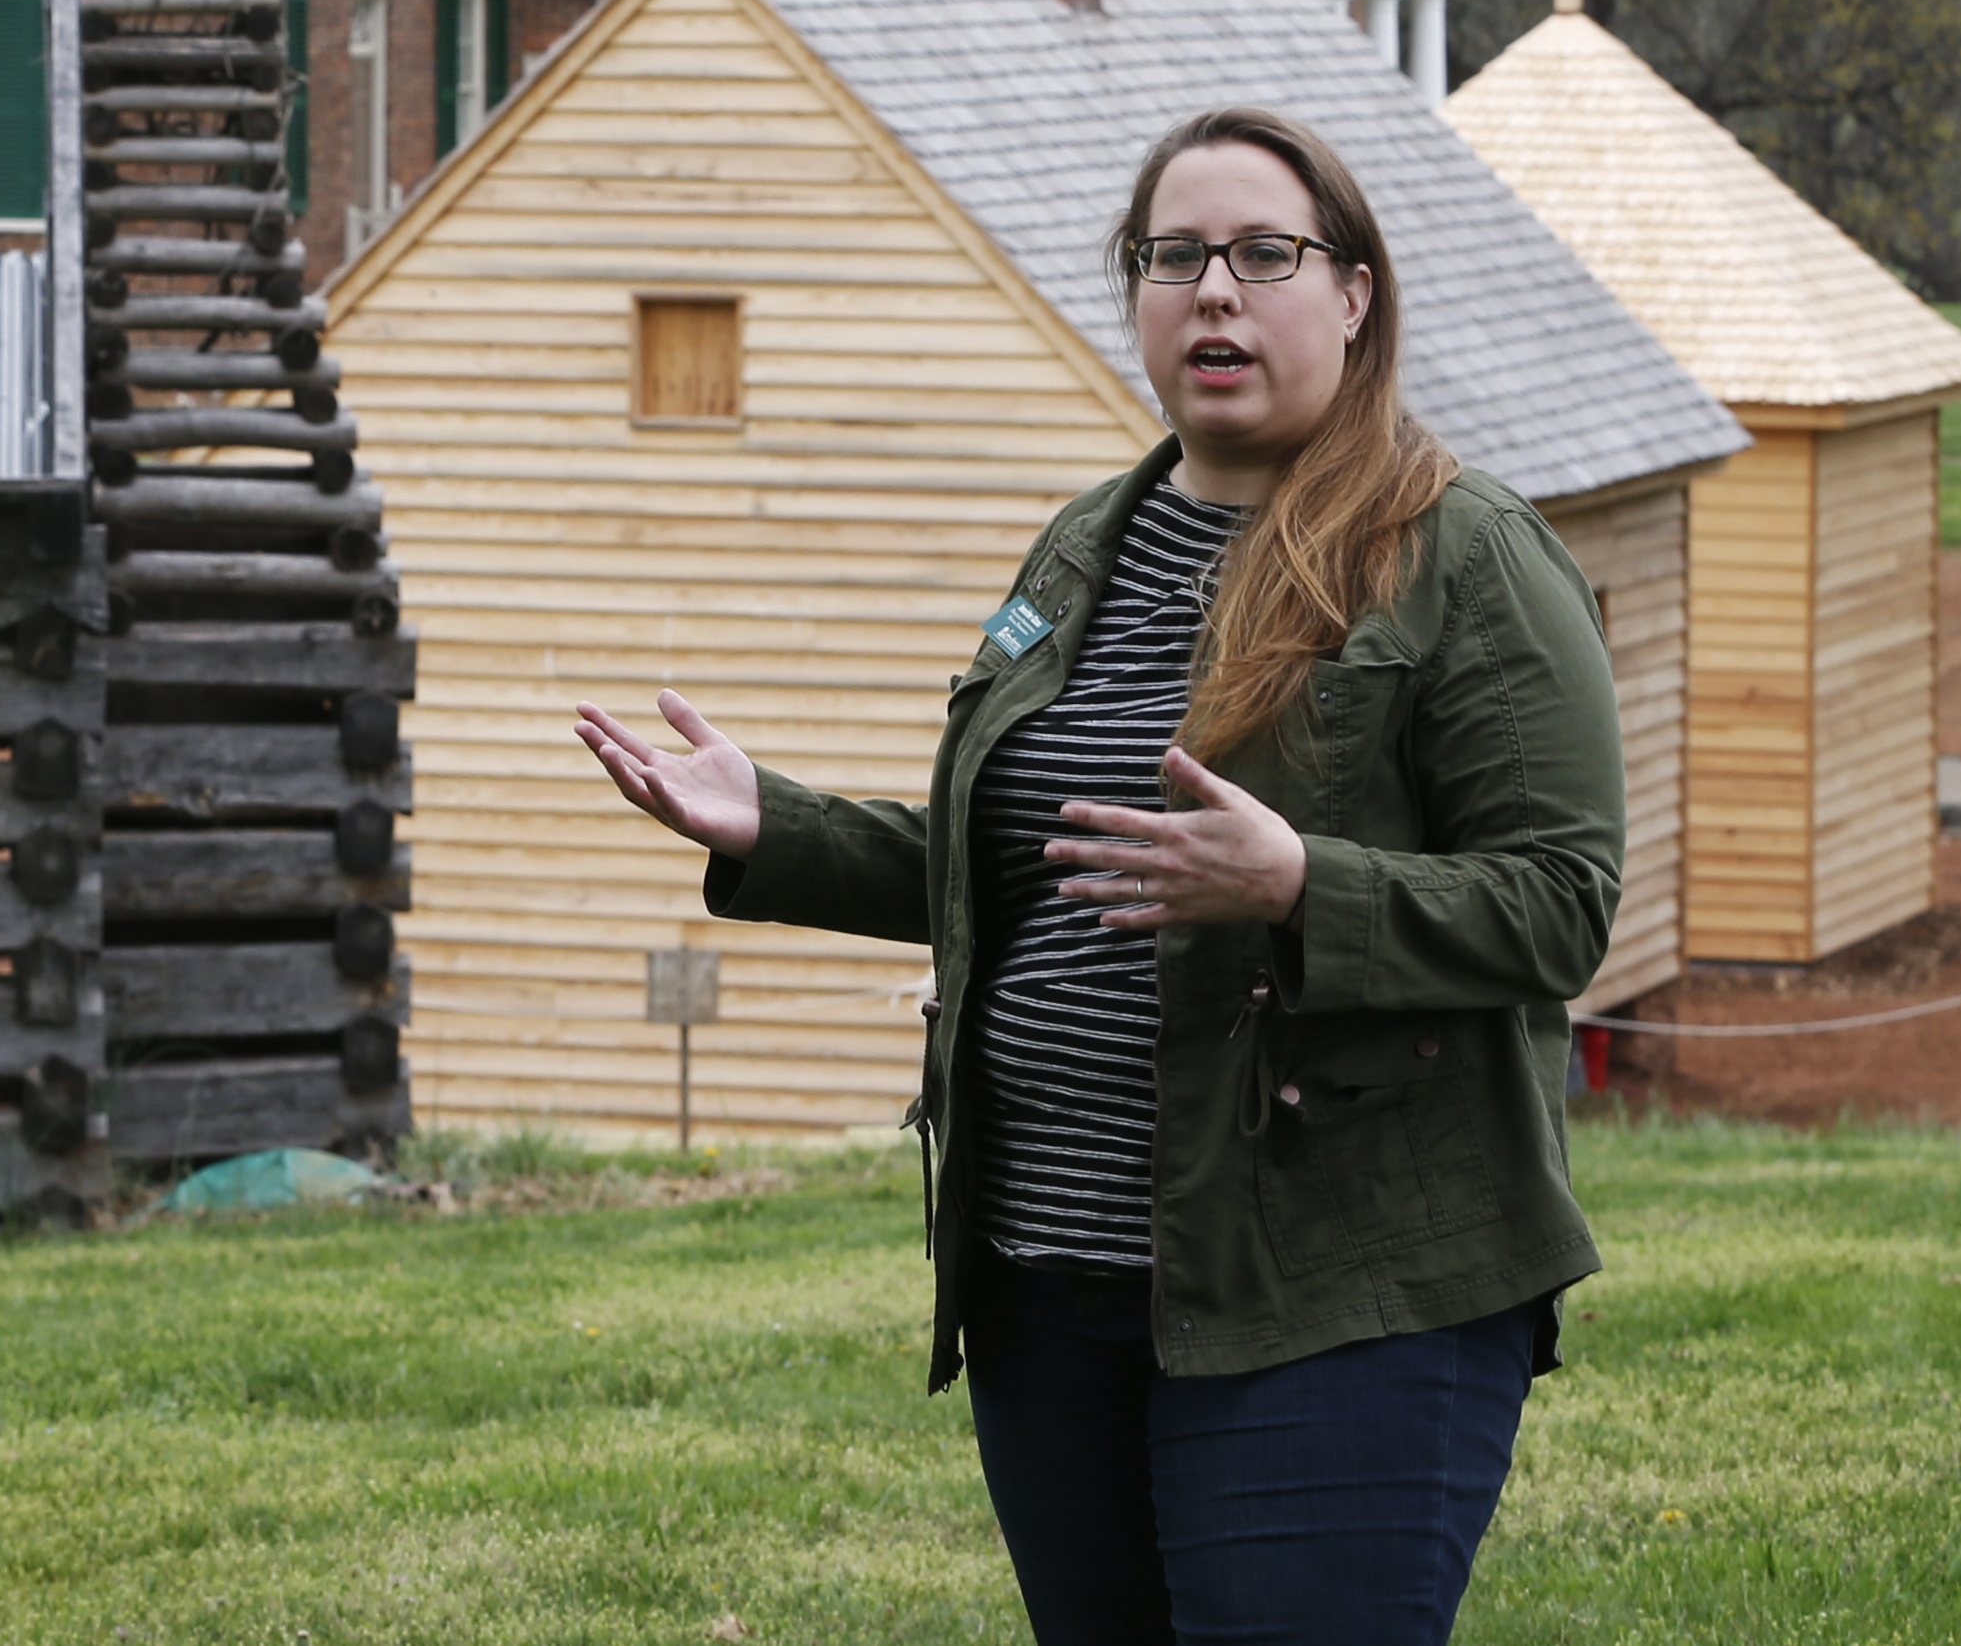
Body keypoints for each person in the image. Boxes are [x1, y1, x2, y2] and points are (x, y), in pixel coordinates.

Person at [569, 106, 1622, 1646]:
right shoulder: (1087, 542)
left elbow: (1557, 900)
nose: (1212, 290)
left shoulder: (1461, 553)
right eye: (1171, 254)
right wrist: (772, 825)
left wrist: (1294, 885)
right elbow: (1036, 860)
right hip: (1048, 1289)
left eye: (1264, 253)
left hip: (1336, 1296)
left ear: (1352, 293)